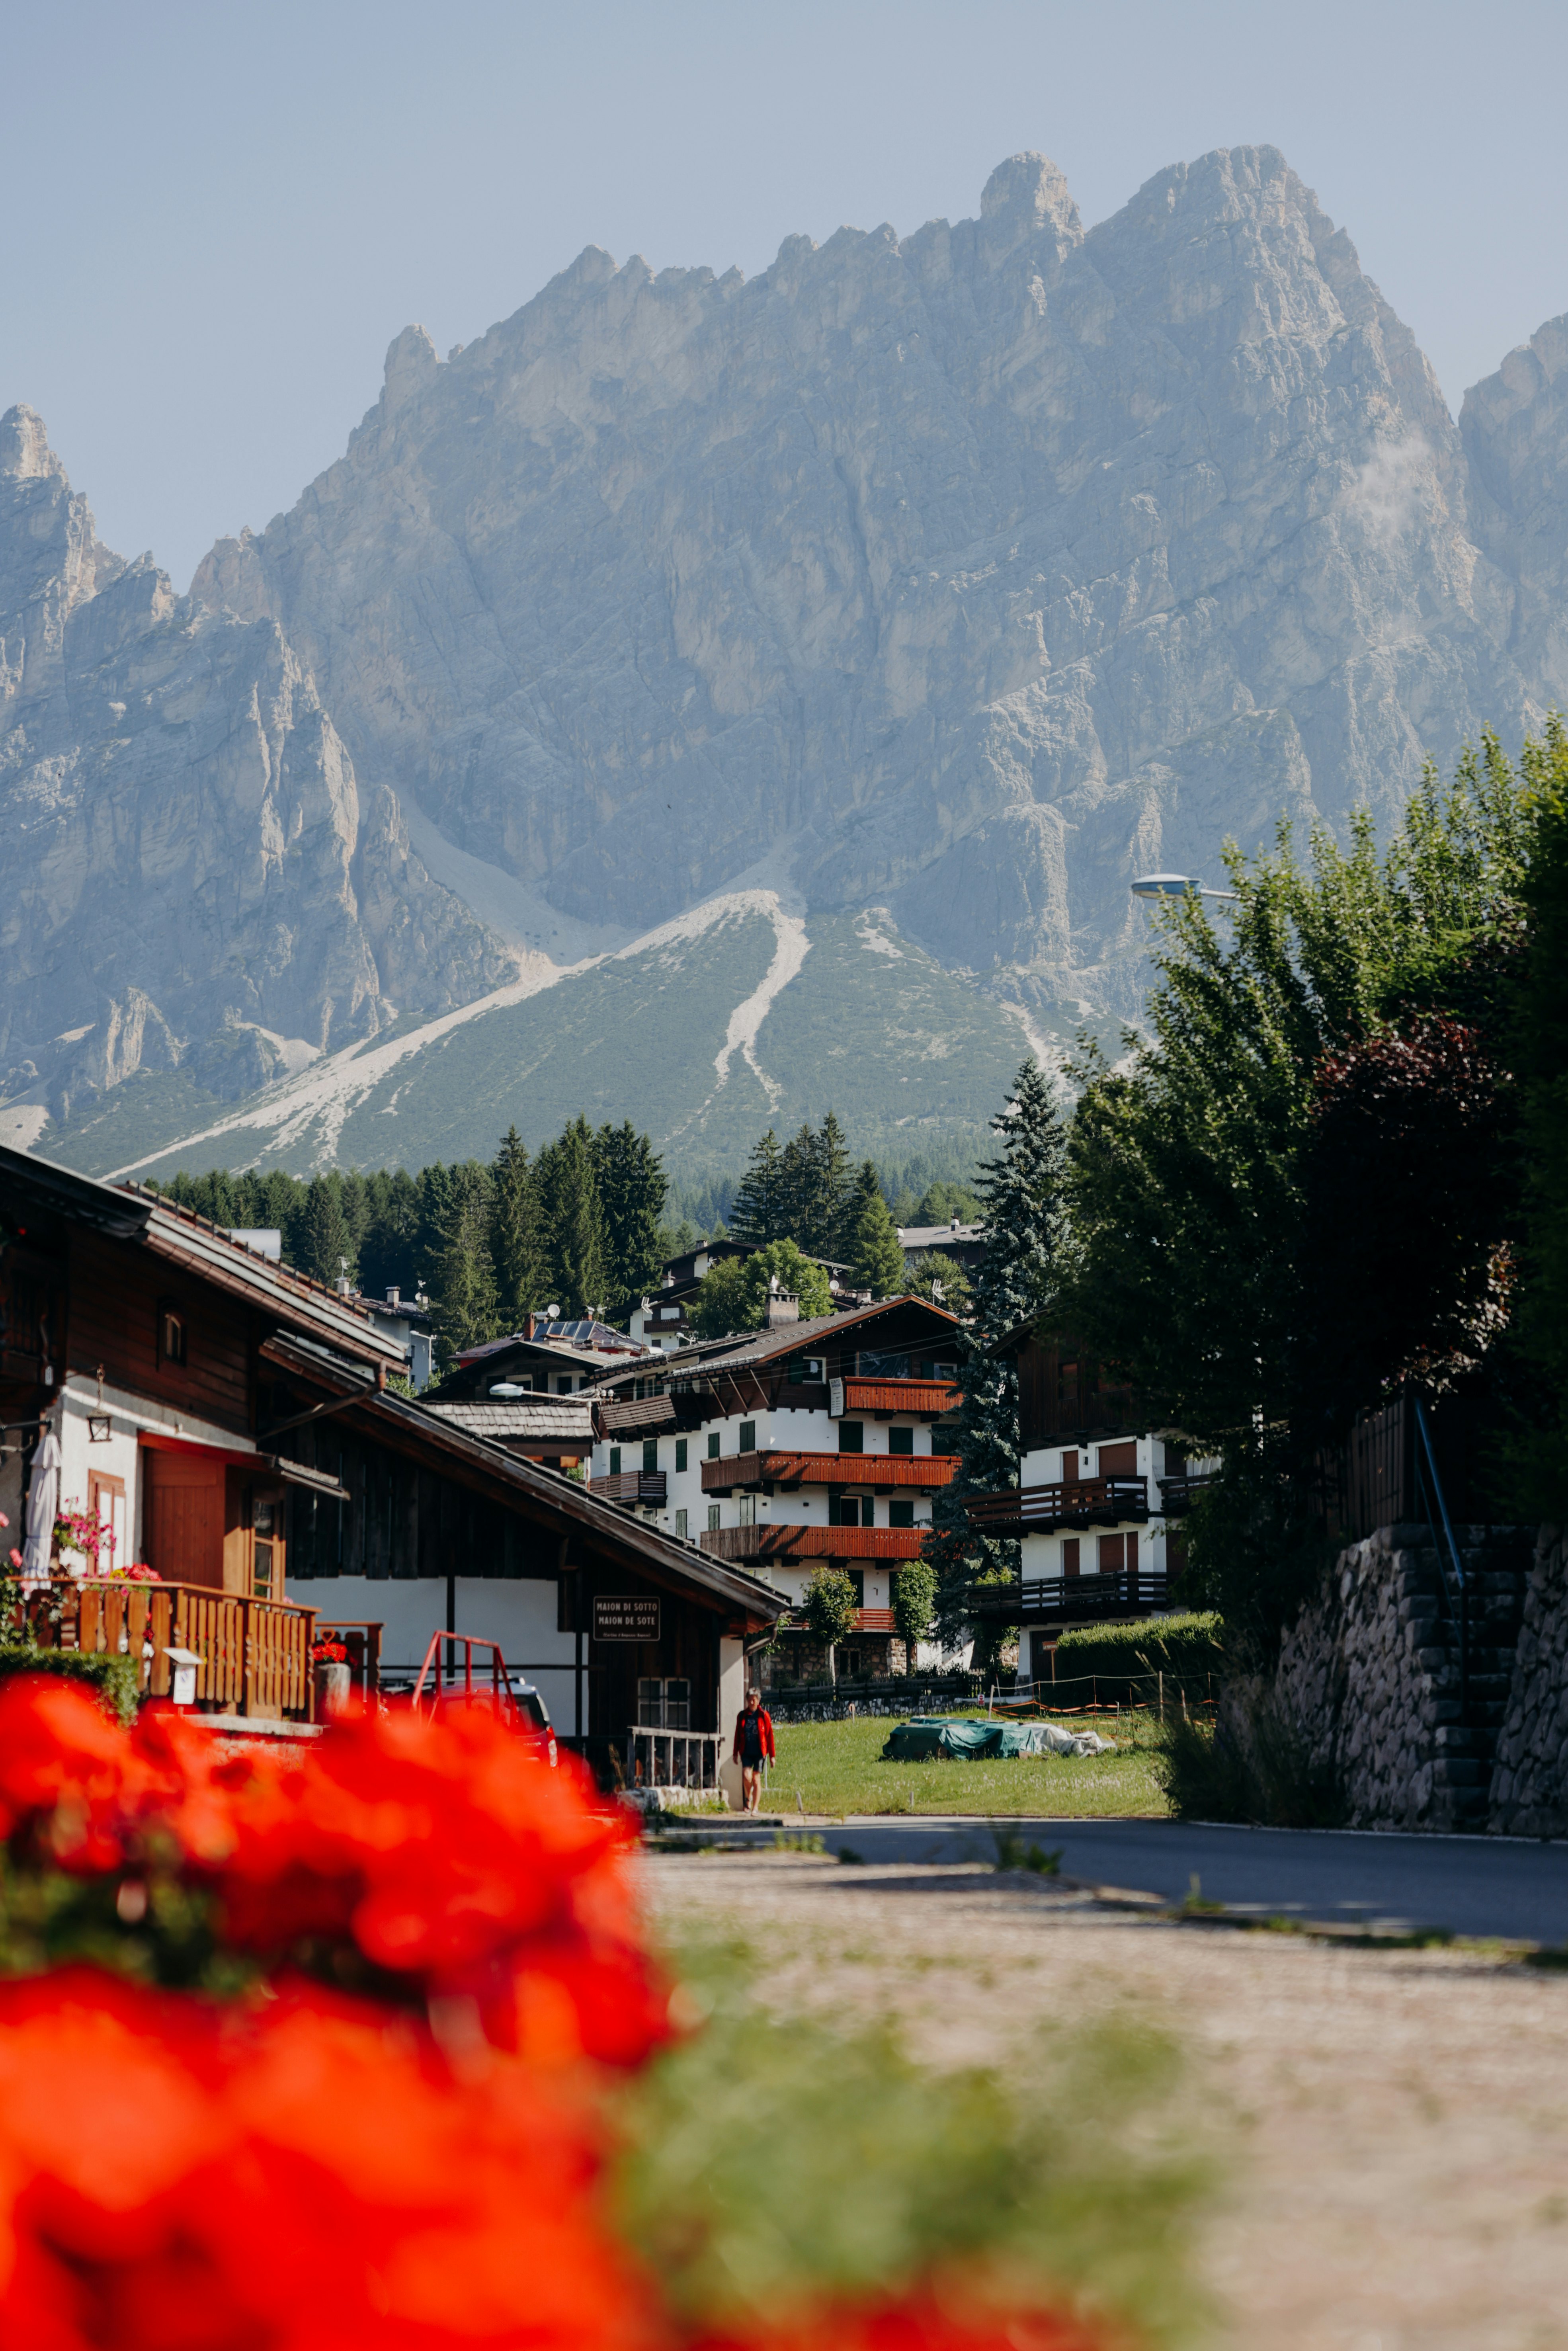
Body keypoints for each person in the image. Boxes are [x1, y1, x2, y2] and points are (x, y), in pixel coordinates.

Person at [732, 1685, 775, 1812]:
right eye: (750, 1700)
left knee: (756, 1779)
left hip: (760, 1752)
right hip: (746, 1751)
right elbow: (737, 1736)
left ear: (758, 1701)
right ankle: (748, 1797)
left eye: (754, 1700)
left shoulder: (764, 1716)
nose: (752, 1702)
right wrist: (735, 1753)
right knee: (747, 1776)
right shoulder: (742, 1716)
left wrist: (772, 1756)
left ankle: (755, 1807)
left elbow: (770, 1737)